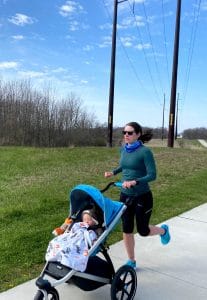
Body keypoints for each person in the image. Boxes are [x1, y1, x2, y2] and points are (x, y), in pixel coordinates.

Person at [104, 121, 170, 270]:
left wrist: (135, 181)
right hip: (125, 195)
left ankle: (163, 231)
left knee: (143, 231)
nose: (126, 135)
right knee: (127, 229)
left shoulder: (145, 152)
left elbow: (152, 175)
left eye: (130, 133)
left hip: (142, 196)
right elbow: (125, 165)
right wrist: (113, 172)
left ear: (138, 134)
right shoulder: (124, 149)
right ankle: (132, 261)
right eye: (124, 132)